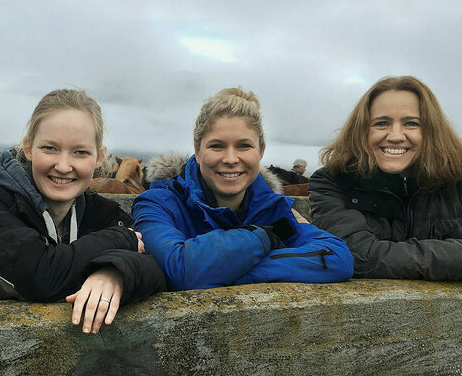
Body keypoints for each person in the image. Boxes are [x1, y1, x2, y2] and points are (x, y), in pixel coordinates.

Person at [0, 89, 166, 334]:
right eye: (50, 148)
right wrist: (121, 240)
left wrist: (114, 272)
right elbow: (39, 275)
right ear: (28, 147)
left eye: (80, 152)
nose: (63, 166)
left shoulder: (97, 210)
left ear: (99, 157)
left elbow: (156, 263)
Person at [130, 87, 353, 291]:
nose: (230, 159)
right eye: (217, 146)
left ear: (261, 151)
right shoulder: (156, 205)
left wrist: (226, 271)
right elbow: (180, 271)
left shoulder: (272, 209)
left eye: (244, 146)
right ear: (197, 152)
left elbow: (338, 257)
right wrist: (263, 238)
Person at [309, 75, 462, 280]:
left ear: (431, 132)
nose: (396, 136)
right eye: (381, 123)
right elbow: (351, 254)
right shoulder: (331, 182)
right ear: (361, 131)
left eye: (411, 124)